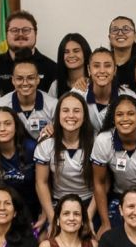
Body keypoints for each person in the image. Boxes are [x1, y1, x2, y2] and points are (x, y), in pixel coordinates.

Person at [92, 94, 136, 234]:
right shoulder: (103, 140)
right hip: (120, 197)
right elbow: (99, 182)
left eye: (131, 114)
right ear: (113, 118)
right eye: (119, 114)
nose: (125, 119)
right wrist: (105, 223)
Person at [35, 92, 96, 228]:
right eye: (65, 110)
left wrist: (88, 217)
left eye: (76, 111)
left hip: (88, 202)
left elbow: (102, 183)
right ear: (58, 115)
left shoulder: (95, 143)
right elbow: (41, 182)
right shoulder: (47, 143)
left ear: (84, 115)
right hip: (58, 202)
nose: (71, 116)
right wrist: (52, 219)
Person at [0, 107, 39, 230]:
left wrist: (43, 215)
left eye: (7, 124)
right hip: (1, 214)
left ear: (16, 126)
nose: (2, 129)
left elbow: (44, 184)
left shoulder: (32, 149)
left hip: (32, 212)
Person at [0, 10, 59, 95]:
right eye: (14, 30)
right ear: (6, 34)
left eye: (26, 30)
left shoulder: (53, 69)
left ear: (36, 33)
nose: (20, 34)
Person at [0, 56, 58, 141]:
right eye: (19, 78)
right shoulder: (1, 105)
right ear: (13, 80)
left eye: (30, 78)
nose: (25, 83)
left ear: (38, 79)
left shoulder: (53, 105)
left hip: (44, 152)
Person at [80, 47, 117, 131]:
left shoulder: (127, 95)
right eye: (96, 66)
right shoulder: (77, 94)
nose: (102, 70)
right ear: (89, 70)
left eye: (107, 65)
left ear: (115, 70)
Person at [48, 32, 92, 99]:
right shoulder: (55, 86)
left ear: (85, 53)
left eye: (76, 51)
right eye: (66, 52)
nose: (71, 55)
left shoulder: (94, 82)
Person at [109, 15, 136, 90]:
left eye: (126, 29)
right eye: (115, 30)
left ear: (135, 37)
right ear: (109, 38)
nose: (120, 33)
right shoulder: (102, 65)